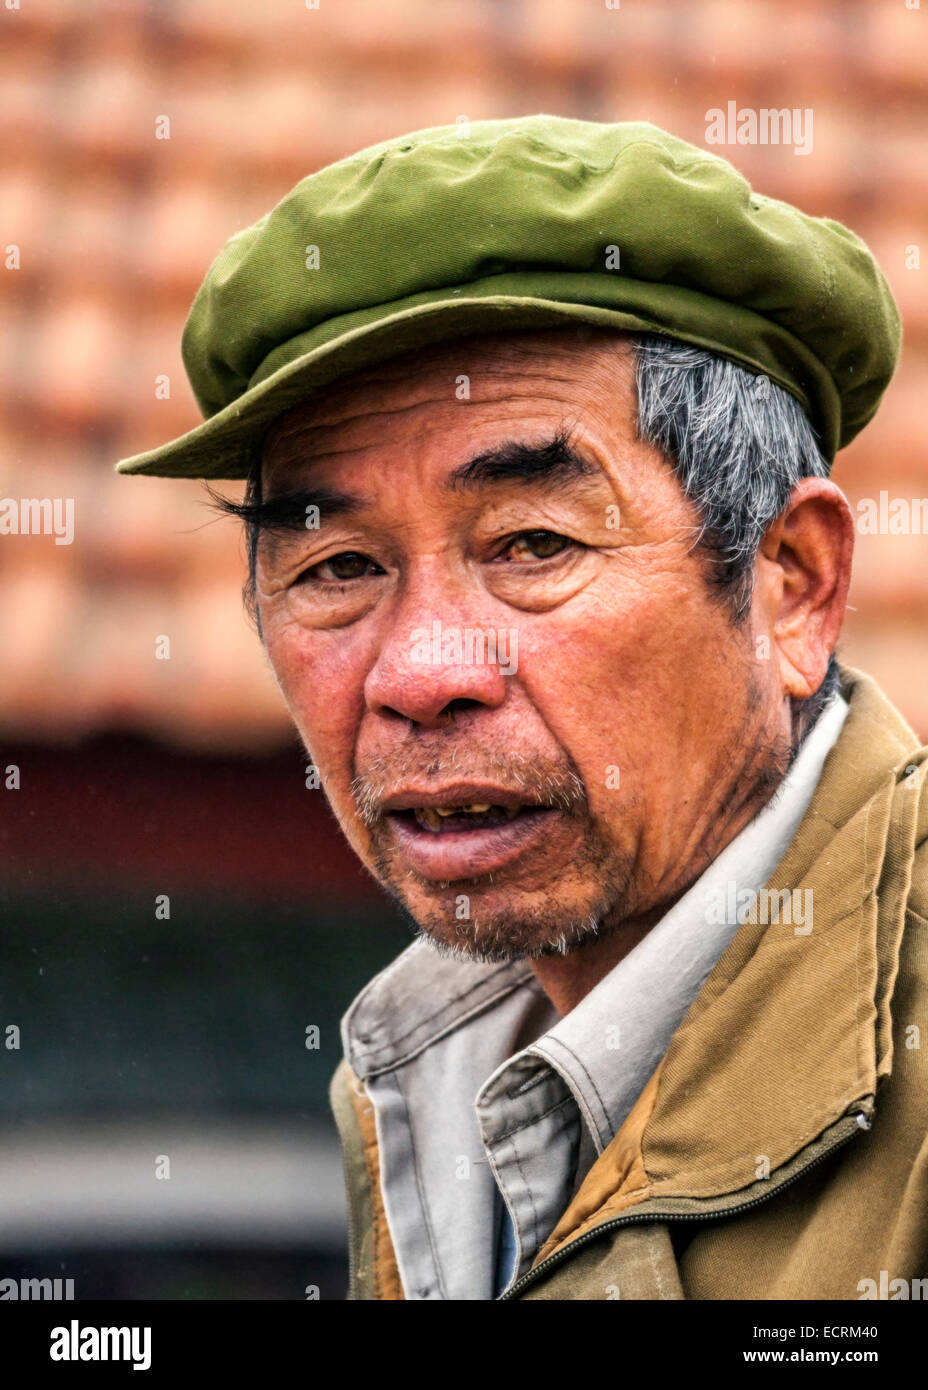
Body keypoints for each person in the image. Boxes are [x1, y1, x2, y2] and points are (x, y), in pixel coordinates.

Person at [117, 115, 927, 1301]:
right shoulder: (422, 1084)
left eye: (533, 542)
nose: (418, 673)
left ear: (789, 583)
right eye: (337, 567)